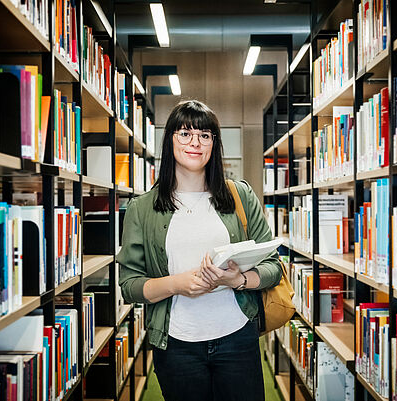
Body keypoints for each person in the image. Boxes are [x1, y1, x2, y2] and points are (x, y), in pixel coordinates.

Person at [117, 100, 282, 401]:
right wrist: (178, 284)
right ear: (170, 141)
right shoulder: (142, 209)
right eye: (185, 133)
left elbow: (273, 266)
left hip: (237, 338)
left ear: (214, 144)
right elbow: (129, 286)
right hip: (177, 345)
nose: (195, 142)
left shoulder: (240, 195)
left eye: (205, 135)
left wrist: (238, 281)